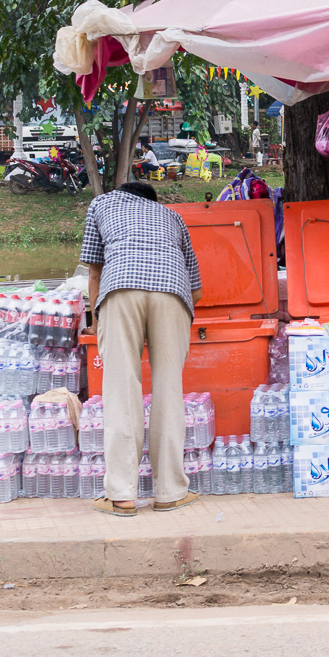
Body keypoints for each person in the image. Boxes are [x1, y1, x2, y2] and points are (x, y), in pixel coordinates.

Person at [80, 181, 203, 516]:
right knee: (168, 389)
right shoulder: (171, 216)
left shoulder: (102, 204)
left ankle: (122, 495)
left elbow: (94, 271)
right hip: (172, 293)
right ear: (151, 200)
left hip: (120, 289)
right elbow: (196, 287)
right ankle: (171, 493)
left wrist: (95, 320)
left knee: (121, 389)